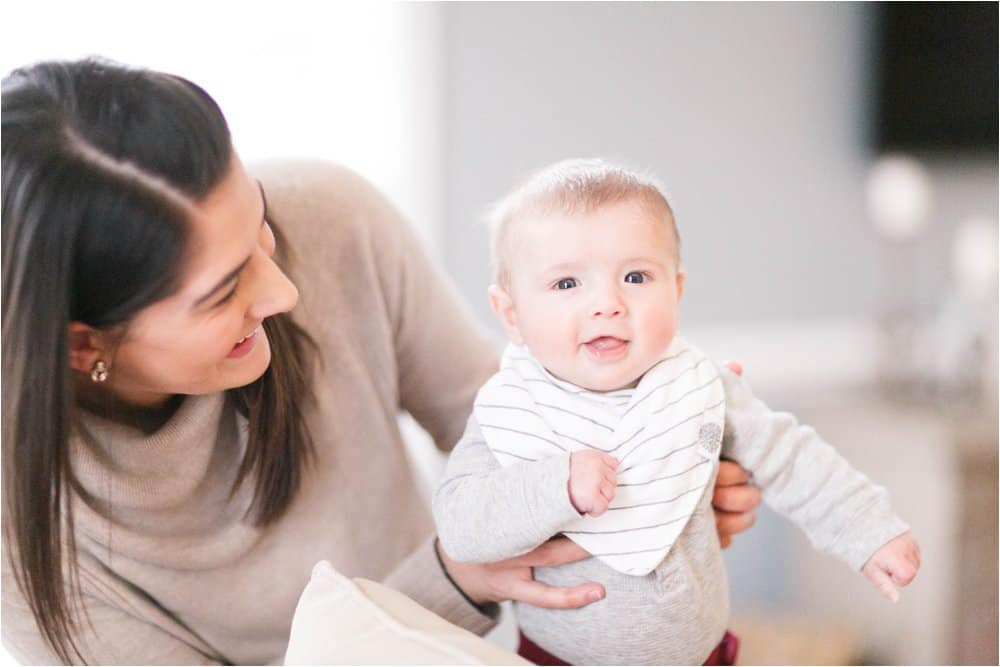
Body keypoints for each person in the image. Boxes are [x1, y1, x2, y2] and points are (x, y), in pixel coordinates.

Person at [0, 59, 762, 665]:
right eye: (225, 289)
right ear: (81, 343)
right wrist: (452, 576)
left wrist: (645, 469)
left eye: (260, 225)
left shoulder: (335, 218)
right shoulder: (17, 530)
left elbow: (502, 415)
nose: (285, 289)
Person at [432, 158, 922, 666]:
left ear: (677, 290)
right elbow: (462, 523)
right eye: (566, 284)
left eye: (636, 276)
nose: (607, 303)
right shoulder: (514, 410)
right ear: (511, 315)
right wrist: (557, 485)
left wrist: (870, 530)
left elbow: (792, 458)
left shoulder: (698, 386)